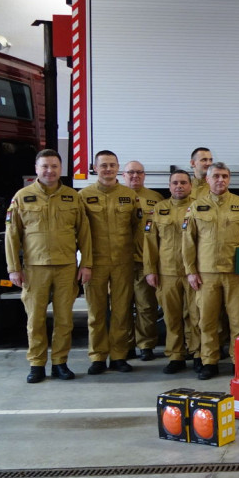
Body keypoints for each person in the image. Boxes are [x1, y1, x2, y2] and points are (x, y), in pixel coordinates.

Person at [5, 149, 92, 383]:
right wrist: (14, 267)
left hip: (66, 268)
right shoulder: (22, 197)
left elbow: (84, 234)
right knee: (35, 320)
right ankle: (36, 364)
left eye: (54, 166)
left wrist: (86, 264)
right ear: (36, 169)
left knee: (64, 320)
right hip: (35, 269)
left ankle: (60, 363)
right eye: (44, 166)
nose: (49, 171)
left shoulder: (72, 197)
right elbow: (12, 235)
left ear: (60, 168)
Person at [183, 161, 239, 380]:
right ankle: (209, 361)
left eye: (225, 176)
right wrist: (190, 271)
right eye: (216, 176)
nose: (220, 180)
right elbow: (188, 242)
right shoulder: (197, 206)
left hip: (235, 274)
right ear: (207, 179)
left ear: (229, 179)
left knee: (238, 320)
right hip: (206, 274)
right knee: (206, 320)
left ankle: (238, 361)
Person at [80, 149, 142, 375]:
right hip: (95, 262)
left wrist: (137, 257)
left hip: (123, 262)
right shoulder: (84, 196)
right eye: (103, 165)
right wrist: (83, 262)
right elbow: (78, 232)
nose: (108, 169)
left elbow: (138, 230)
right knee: (96, 312)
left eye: (112, 165)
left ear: (118, 169)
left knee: (121, 311)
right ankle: (97, 357)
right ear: (95, 168)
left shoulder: (129, 195)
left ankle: (118, 356)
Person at [143, 170, 198, 374]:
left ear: (190, 185)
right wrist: (150, 270)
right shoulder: (159, 209)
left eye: (184, 182)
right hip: (167, 272)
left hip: (193, 271)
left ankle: (198, 353)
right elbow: (150, 242)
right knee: (171, 316)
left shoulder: (198, 207)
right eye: (175, 183)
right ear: (169, 186)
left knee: (195, 314)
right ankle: (176, 356)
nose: (179, 186)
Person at [122, 160, 163, 360]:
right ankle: (126, 345)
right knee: (122, 307)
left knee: (146, 306)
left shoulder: (155, 199)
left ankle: (146, 345)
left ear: (145, 175)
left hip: (144, 262)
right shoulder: (118, 196)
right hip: (121, 262)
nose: (135, 176)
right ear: (124, 175)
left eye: (139, 172)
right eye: (130, 172)